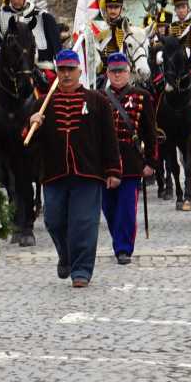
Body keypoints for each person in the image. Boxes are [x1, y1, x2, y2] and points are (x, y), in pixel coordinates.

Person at [26, 49, 121, 288]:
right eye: (62, 70)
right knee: (53, 220)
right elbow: (27, 143)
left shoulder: (97, 101)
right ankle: (66, 255)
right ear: (56, 72)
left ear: (79, 71)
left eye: (71, 69)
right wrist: (31, 125)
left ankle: (81, 269)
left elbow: (109, 138)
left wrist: (112, 170)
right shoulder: (42, 103)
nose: (66, 74)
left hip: (88, 172)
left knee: (84, 223)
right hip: (54, 172)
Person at [100, 50, 157, 266]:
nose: (117, 75)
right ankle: (119, 238)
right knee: (108, 206)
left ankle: (123, 248)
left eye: (121, 71)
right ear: (107, 72)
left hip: (131, 160)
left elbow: (151, 132)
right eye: (113, 71)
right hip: (105, 161)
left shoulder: (142, 96)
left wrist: (151, 162)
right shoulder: (100, 97)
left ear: (129, 71)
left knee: (126, 207)